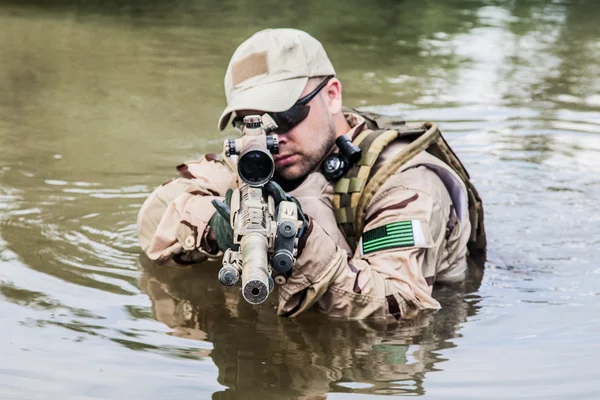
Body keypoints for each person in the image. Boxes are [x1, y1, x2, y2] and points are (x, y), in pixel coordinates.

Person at [136, 28, 486, 320]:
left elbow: (400, 308)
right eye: (251, 124)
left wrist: (299, 244)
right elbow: (153, 216)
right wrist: (214, 228)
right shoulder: (260, 158)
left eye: (285, 115)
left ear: (332, 96)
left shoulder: (404, 182)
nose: (274, 139)